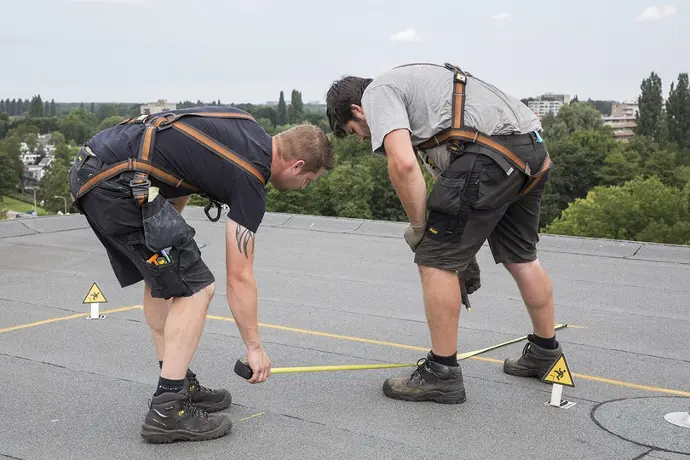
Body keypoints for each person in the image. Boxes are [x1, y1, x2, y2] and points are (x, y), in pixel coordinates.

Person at [69, 106, 335, 441]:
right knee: (196, 288)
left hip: (98, 168)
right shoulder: (250, 178)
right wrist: (254, 348)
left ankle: (177, 382)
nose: (304, 187)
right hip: (116, 184)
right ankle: (168, 409)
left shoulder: (244, 124)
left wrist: (166, 226)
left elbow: (176, 157)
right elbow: (239, 277)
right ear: (296, 165)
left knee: (167, 281)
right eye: (308, 180)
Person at [325, 62, 562, 404]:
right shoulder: (420, 86)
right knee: (521, 256)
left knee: (434, 261)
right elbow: (448, 179)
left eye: (353, 130)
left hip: (490, 155)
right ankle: (544, 353)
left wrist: (425, 235)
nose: (363, 138)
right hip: (531, 151)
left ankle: (442, 374)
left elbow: (403, 165)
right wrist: (459, 250)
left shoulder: (377, 93)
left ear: (357, 109)